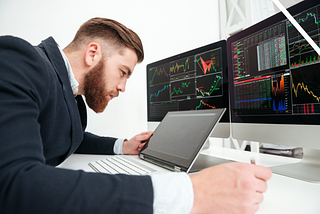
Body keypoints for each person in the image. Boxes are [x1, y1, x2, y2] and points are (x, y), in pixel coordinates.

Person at [0, 17, 272, 214]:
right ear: (93, 53)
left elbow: (67, 136)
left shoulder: (73, 100)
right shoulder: (21, 59)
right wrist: (191, 193)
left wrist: (123, 146)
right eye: (122, 72)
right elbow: (14, 183)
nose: (122, 87)